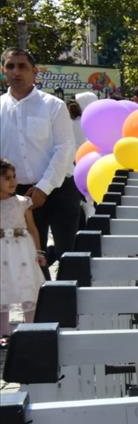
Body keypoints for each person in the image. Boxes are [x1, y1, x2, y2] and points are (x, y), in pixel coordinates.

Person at [0, 49, 77, 270]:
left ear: (35, 72)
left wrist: (44, 187)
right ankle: (42, 304)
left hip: (59, 189)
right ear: (3, 71)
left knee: (68, 256)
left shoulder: (53, 105)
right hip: (19, 195)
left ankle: (70, 303)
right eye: (10, 66)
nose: (16, 71)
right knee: (31, 256)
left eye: (22, 66)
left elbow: (65, 148)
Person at [0, 158, 45, 345]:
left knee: (27, 285)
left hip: (22, 250)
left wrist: (39, 251)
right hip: (2, 251)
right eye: (7, 178)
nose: (13, 181)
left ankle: (31, 326)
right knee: (3, 286)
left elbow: (33, 228)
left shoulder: (22, 202)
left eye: (14, 177)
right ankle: (4, 332)